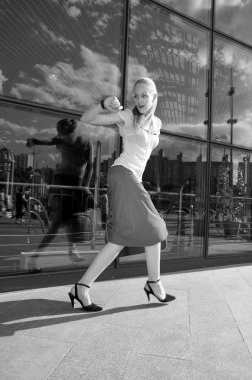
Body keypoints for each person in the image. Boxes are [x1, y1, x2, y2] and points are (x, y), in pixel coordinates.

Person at [68, 77, 176, 312]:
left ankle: (82, 287)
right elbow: (87, 119)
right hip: (122, 173)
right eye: (136, 96)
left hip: (132, 178)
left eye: (144, 95)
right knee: (155, 227)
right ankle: (154, 283)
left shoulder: (156, 123)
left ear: (154, 97)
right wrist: (103, 103)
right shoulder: (128, 116)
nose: (139, 100)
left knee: (133, 236)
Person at [26, 118, 94, 272]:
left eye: (60, 132)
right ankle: (34, 259)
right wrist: (35, 140)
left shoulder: (84, 142)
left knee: (72, 216)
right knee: (59, 221)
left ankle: (72, 249)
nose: (58, 135)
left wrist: (85, 186)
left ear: (69, 131)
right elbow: (48, 141)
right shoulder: (64, 140)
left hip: (74, 183)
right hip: (62, 181)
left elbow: (90, 165)